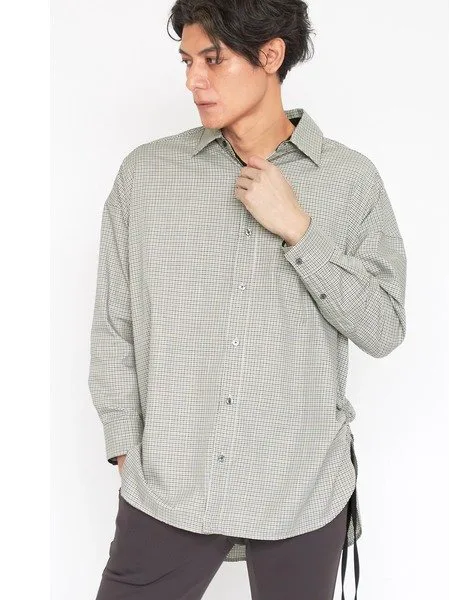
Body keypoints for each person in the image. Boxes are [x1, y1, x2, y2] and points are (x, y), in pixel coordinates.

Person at [88, 1, 407, 598]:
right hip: (171, 483)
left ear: (270, 55)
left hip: (301, 486)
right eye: (186, 61)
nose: (193, 81)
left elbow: (384, 328)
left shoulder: (350, 180)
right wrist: (124, 446)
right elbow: (115, 324)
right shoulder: (147, 175)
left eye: (213, 60)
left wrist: (300, 231)